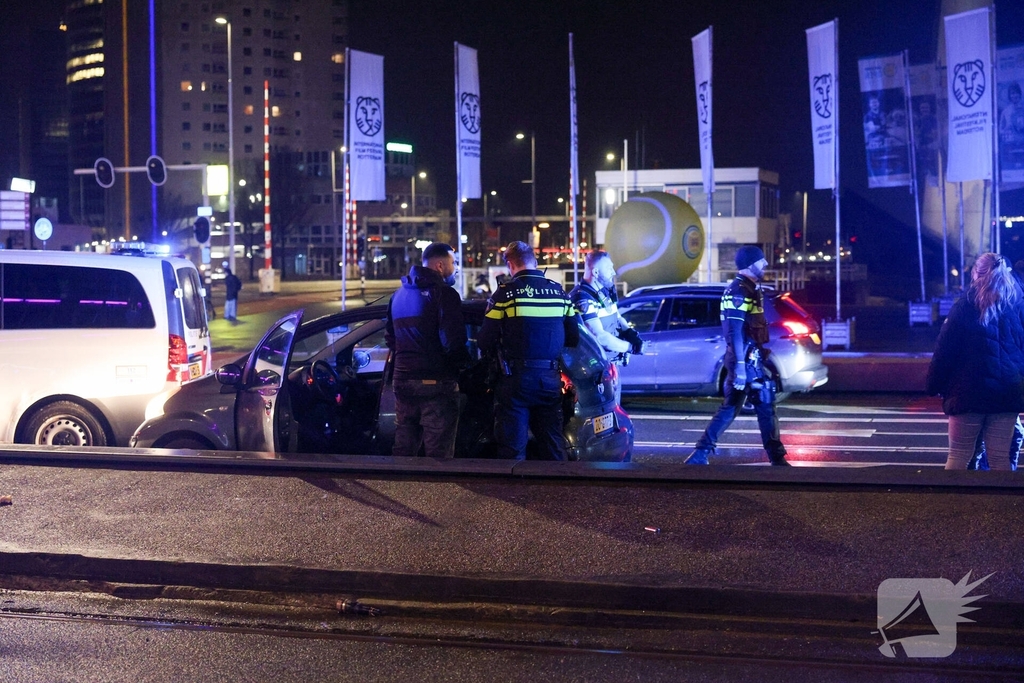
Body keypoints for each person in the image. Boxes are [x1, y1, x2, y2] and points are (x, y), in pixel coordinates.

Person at [686, 246, 790, 466]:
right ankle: (777, 458)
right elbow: (734, 331)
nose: (765, 265)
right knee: (764, 403)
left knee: (733, 407)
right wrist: (741, 368)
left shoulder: (749, 288)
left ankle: (701, 453)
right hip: (744, 360)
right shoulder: (738, 291)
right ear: (750, 265)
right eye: (761, 262)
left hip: (749, 359)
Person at [477, 241, 579, 460]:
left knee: (512, 449)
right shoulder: (559, 293)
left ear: (510, 264)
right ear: (535, 261)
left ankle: (514, 493)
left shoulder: (504, 295)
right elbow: (573, 337)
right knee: (553, 445)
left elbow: (484, 341)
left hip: (515, 381)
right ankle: (559, 492)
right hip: (550, 379)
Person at [926, 252, 1024, 471]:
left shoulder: (964, 306)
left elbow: (945, 350)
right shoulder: (1017, 305)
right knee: (1000, 457)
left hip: (967, 390)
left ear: (975, 274)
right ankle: (1000, 505)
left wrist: (933, 384)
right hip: (1007, 392)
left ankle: (954, 503)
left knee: (959, 455)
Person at [384, 242, 470, 459]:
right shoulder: (444, 294)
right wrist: (465, 368)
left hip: (402, 381)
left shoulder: (397, 296)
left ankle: (402, 489)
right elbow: (452, 343)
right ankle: (436, 491)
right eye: (454, 263)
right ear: (440, 265)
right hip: (435, 384)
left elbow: (391, 339)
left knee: (404, 447)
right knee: (438, 454)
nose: (456, 268)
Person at [570, 250, 644, 402]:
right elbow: (599, 336)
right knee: (602, 416)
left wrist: (630, 333)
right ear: (596, 272)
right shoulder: (582, 299)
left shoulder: (603, 293)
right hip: (594, 371)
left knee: (612, 414)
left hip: (609, 367)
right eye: (609, 268)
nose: (613, 272)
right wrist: (630, 347)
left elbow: (617, 316)